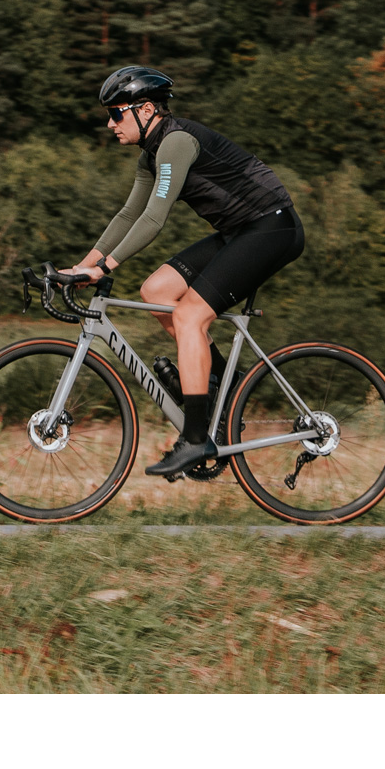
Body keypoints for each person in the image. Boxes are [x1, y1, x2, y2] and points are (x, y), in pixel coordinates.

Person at [62, 65, 305, 479]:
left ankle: (196, 440)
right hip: (240, 231)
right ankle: (220, 388)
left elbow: (153, 220)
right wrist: (82, 268)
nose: (109, 123)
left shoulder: (175, 142)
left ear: (147, 110)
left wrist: (105, 267)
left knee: (190, 315)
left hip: (272, 228)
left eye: (116, 113)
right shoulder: (151, 153)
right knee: (156, 290)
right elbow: (128, 215)